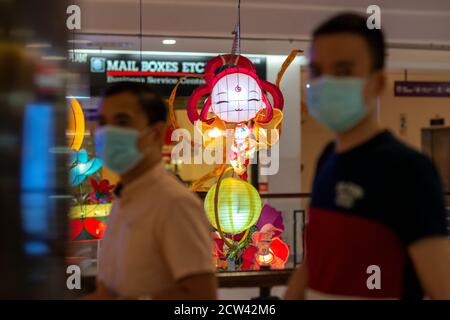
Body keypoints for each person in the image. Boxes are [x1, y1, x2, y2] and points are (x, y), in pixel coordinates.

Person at [285, 13, 450, 300]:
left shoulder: (408, 170)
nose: (326, 83)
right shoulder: (328, 159)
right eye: (317, 70)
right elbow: (316, 259)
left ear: (378, 83)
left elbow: (440, 287)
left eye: (343, 71)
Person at [85, 82, 217, 299]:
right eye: (102, 123)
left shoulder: (174, 204)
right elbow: (108, 292)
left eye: (122, 122)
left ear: (155, 133)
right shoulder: (123, 200)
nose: (108, 133)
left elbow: (202, 298)